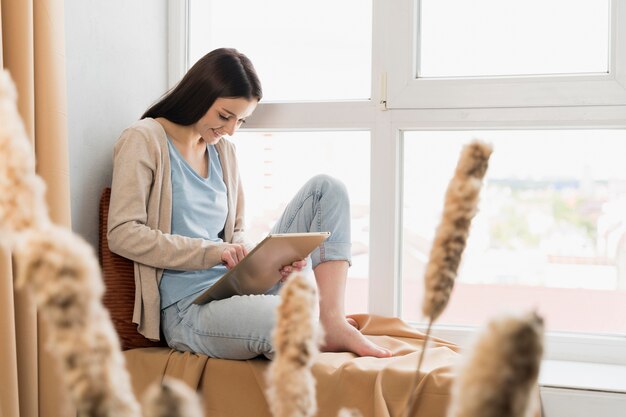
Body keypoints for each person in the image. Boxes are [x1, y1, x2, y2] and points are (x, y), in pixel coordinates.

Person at [107, 47, 391, 360]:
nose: (230, 130)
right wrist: (214, 252)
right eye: (225, 116)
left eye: (240, 121)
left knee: (328, 189)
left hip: (233, 287)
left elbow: (236, 233)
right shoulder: (144, 139)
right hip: (187, 308)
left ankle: (332, 320)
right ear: (199, 95)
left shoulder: (223, 152)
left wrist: (272, 262)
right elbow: (123, 232)